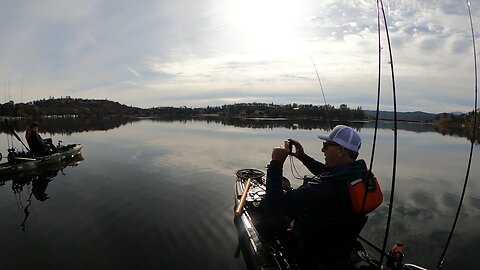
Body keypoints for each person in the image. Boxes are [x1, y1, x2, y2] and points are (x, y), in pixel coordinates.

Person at [265, 125, 372, 269]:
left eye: (326, 146)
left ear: (340, 150)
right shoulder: (361, 176)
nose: (322, 150)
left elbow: (276, 206)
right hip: (339, 247)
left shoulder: (324, 188)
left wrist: (276, 163)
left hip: (308, 250)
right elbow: (328, 174)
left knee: (267, 210)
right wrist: (303, 157)